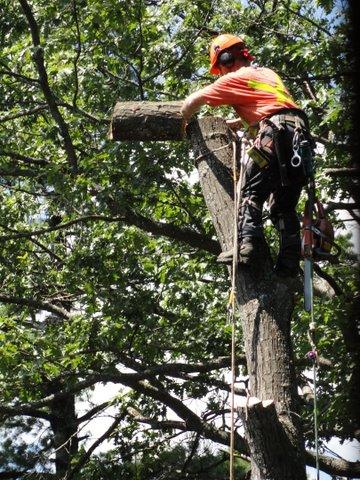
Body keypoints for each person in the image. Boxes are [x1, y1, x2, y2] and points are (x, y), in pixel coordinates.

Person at [181, 33, 313, 277]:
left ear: (227, 59)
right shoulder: (267, 74)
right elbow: (270, 106)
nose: (220, 73)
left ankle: (246, 248)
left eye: (220, 67)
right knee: (283, 207)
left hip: (274, 132)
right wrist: (236, 123)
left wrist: (183, 119)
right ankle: (288, 264)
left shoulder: (236, 78)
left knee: (250, 191)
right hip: (299, 137)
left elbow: (193, 101)